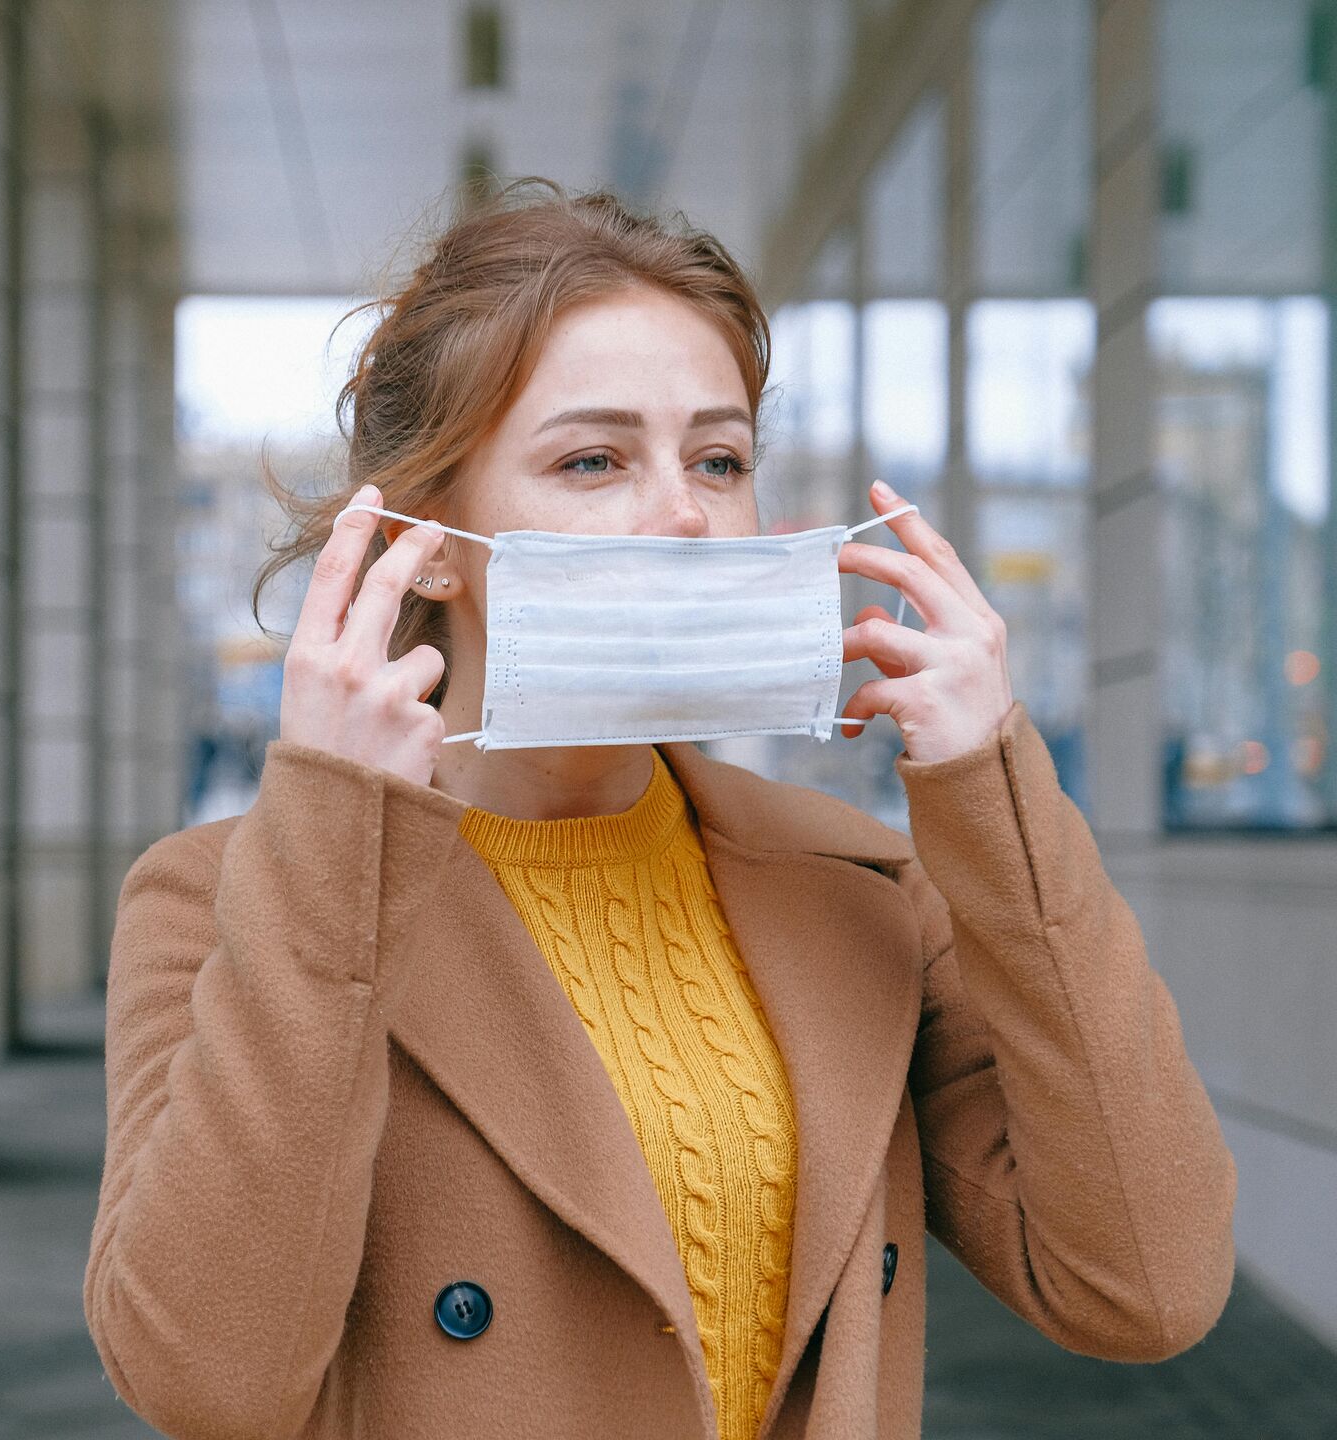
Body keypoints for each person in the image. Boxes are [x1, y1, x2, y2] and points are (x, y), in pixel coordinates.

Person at [82, 177, 1236, 1440]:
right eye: (594, 459)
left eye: (720, 459)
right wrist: (331, 833)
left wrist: (994, 797)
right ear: (434, 537)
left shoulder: (861, 888)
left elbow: (1147, 1288)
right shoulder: (221, 899)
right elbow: (205, 1380)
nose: (686, 515)